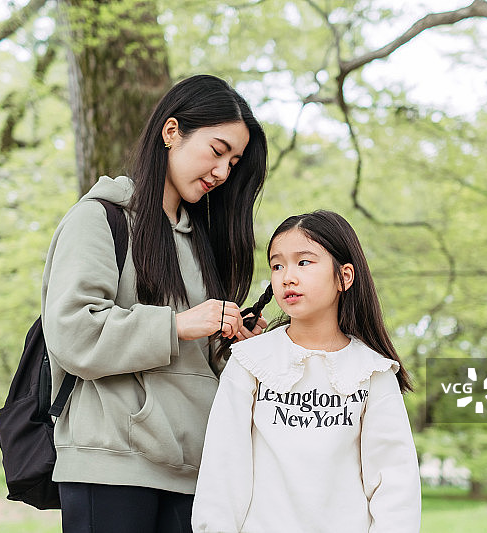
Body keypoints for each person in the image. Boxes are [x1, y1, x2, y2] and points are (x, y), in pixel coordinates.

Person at [41, 74, 268, 533]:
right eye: (217, 150)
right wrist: (178, 325)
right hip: (110, 464)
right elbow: (73, 333)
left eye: (234, 162)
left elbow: (193, 360)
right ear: (171, 132)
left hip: (193, 468)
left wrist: (232, 344)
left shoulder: (204, 244)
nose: (223, 172)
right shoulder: (98, 219)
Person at [191, 210, 421, 533]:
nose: (287, 277)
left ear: (344, 277)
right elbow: (222, 471)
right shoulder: (249, 362)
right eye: (277, 265)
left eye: (304, 262)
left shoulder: (373, 371)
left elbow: (395, 485)